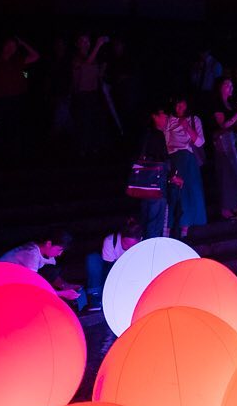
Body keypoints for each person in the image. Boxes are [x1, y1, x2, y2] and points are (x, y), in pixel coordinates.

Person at [0, 35, 39, 149]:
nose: (11, 48)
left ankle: (10, 152)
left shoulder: (18, 59)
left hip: (16, 99)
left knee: (13, 126)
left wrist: (22, 42)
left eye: (14, 46)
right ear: (3, 45)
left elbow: (36, 56)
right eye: (9, 45)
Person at [0, 228, 83, 307]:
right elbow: (33, 286)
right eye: (59, 250)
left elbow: (50, 275)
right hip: (3, 285)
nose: (59, 254)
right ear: (49, 244)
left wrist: (65, 287)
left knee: (50, 270)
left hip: (16, 282)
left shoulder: (43, 254)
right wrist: (62, 293)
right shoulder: (32, 254)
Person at [165, 97, 207, 239]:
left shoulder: (194, 120)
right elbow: (166, 142)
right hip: (175, 158)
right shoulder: (169, 120)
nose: (180, 109)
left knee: (190, 193)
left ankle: (185, 227)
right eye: (178, 106)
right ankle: (169, 226)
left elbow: (200, 142)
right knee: (175, 193)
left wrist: (187, 127)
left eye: (183, 106)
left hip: (189, 159)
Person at [209, 77, 237, 220]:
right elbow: (223, 125)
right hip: (223, 147)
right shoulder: (217, 104)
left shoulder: (231, 105)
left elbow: (236, 126)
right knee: (226, 176)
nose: (230, 87)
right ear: (219, 87)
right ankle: (225, 208)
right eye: (227, 85)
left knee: (235, 175)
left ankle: (234, 205)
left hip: (234, 145)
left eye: (232, 85)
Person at [85, 217, 142, 310]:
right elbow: (109, 270)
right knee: (92, 259)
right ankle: (95, 296)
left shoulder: (142, 245)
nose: (129, 248)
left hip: (130, 273)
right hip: (111, 269)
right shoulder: (111, 241)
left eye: (133, 245)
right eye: (126, 244)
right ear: (122, 237)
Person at [137, 105, 175, 239]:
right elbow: (160, 159)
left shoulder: (147, 134)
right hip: (156, 183)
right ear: (155, 116)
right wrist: (172, 175)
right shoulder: (156, 135)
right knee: (155, 220)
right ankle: (152, 248)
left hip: (147, 184)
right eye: (163, 115)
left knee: (148, 218)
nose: (166, 118)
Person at [71, 33, 110, 156]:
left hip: (93, 93)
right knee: (83, 122)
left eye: (87, 40)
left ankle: (93, 147)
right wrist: (98, 45)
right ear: (77, 44)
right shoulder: (76, 57)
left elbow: (96, 73)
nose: (85, 43)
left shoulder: (93, 56)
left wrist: (102, 73)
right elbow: (87, 63)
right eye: (82, 40)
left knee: (94, 121)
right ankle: (82, 148)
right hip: (82, 94)